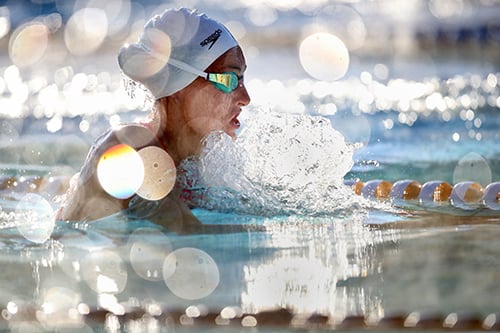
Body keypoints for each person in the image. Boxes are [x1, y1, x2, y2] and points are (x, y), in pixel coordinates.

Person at [57, 8, 251, 232]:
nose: (245, 98)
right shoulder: (131, 147)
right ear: (180, 86)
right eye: (228, 80)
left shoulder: (197, 163)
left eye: (242, 79)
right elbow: (185, 230)